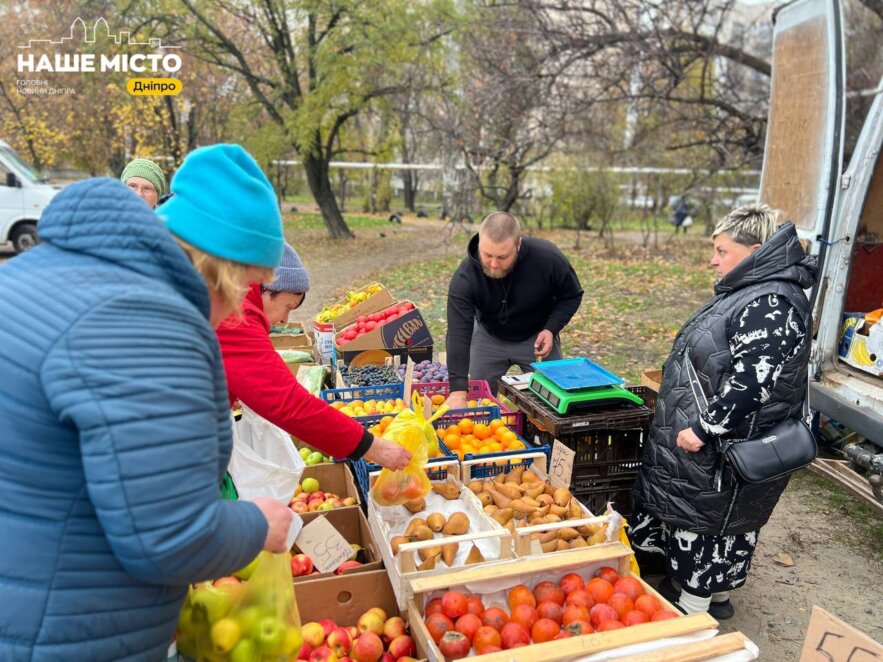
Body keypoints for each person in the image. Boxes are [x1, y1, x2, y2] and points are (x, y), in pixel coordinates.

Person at [0, 144, 294, 659]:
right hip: (67, 626)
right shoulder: (148, 326)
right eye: (247, 287)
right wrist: (255, 525)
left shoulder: (47, 271)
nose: (236, 315)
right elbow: (168, 536)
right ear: (220, 268)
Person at [630, 204, 817, 620]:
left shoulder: (771, 302)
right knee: (707, 516)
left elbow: (753, 383)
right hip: (719, 440)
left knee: (712, 520)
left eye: (721, 250)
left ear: (753, 251)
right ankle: (711, 597)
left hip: (726, 443)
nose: (713, 259)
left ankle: (692, 613)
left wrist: (705, 427)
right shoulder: (752, 292)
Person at [216, 243, 412, 470]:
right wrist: (373, 448)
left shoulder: (226, 295)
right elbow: (288, 403)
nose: (284, 320)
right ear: (267, 289)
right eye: (288, 306)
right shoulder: (235, 314)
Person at [444, 211, 583, 407]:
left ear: (518, 245)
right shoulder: (465, 277)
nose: (493, 264)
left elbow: (572, 295)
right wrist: (458, 392)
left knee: (552, 402)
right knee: (479, 401)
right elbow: (458, 332)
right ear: (479, 244)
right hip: (488, 336)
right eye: (487, 254)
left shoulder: (548, 258)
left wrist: (551, 329)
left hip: (537, 337)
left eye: (502, 257)